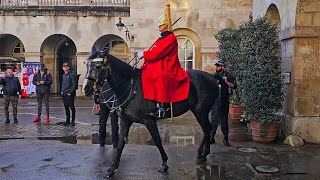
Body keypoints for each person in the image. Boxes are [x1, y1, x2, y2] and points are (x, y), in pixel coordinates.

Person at [136, 4, 190, 117]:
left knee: (159, 77)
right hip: (159, 63)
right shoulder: (162, 38)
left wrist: (144, 54)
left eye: (160, 25)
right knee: (143, 73)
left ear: (166, 25)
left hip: (168, 65)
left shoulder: (170, 38)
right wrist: (144, 54)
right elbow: (155, 52)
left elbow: (158, 53)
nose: (159, 27)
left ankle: (161, 106)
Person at [210, 60, 236, 146]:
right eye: (216, 66)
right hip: (215, 101)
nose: (216, 67)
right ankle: (211, 137)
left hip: (224, 100)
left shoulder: (228, 75)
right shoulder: (214, 76)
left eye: (218, 66)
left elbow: (234, 86)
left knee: (224, 120)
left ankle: (225, 138)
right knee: (214, 120)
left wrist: (226, 82)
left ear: (222, 67)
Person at [93, 80, 119, 147]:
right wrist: (96, 102)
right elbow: (97, 91)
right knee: (103, 123)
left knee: (113, 124)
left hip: (112, 103)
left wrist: (97, 102)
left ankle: (114, 143)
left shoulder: (112, 79)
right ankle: (104, 142)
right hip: (105, 103)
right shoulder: (103, 80)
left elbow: (96, 91)